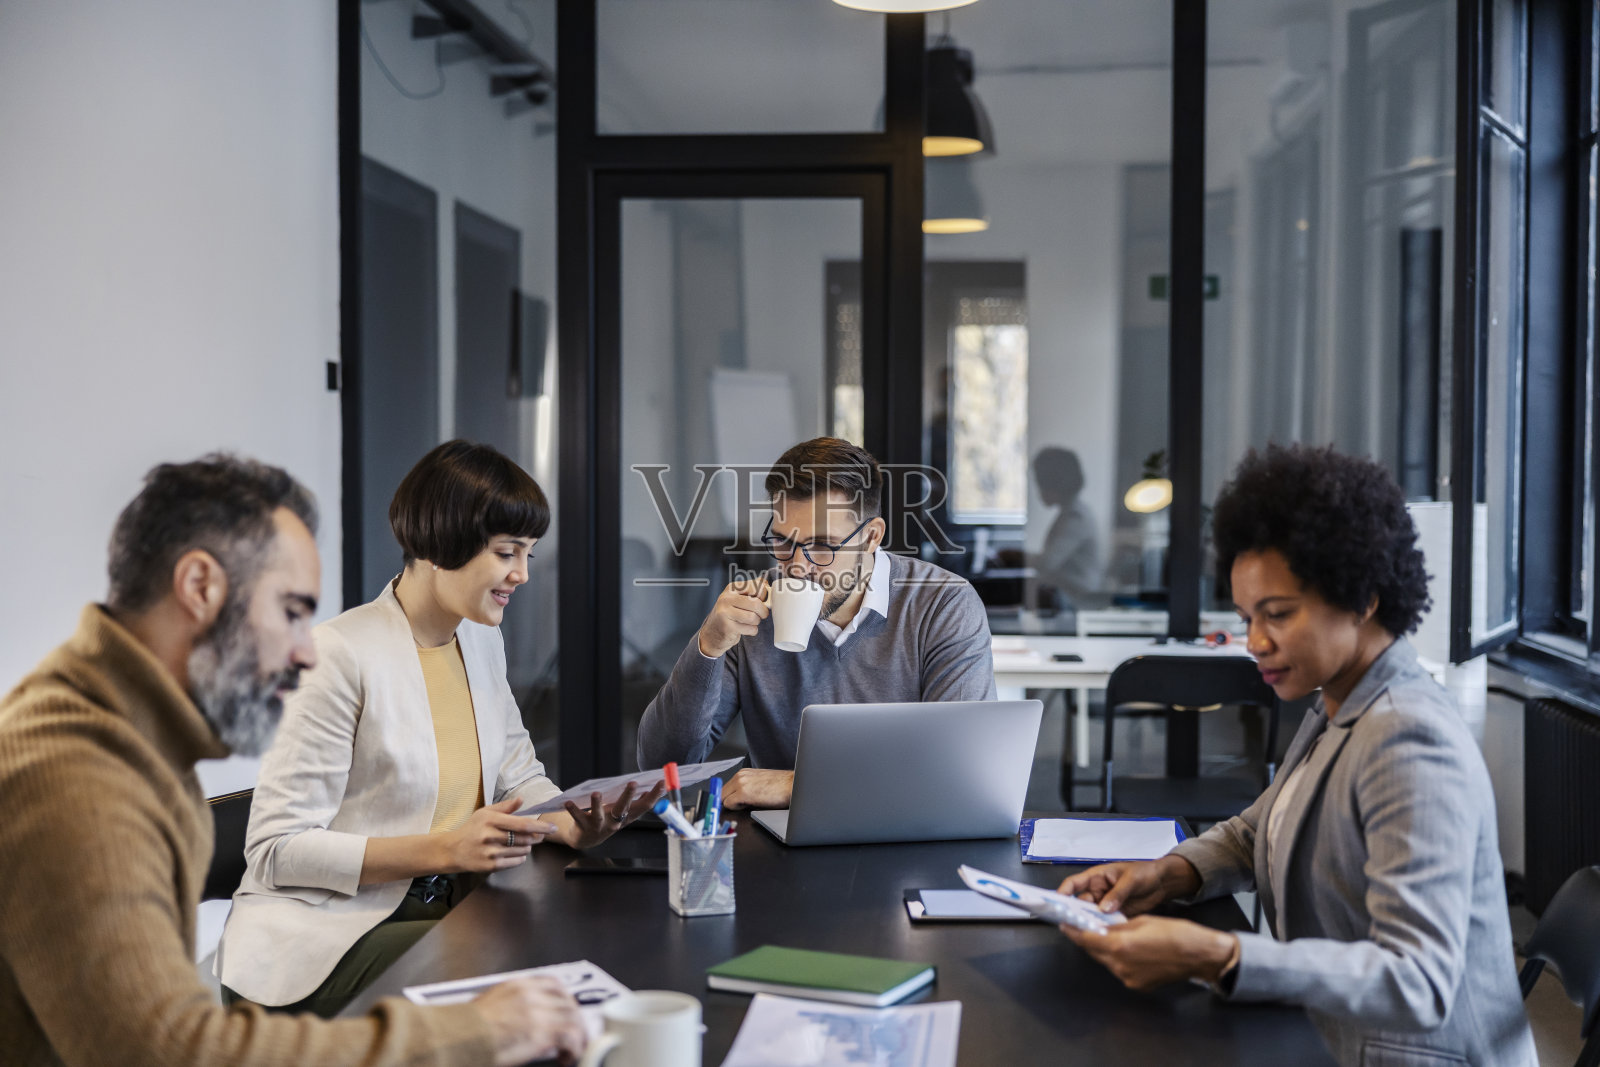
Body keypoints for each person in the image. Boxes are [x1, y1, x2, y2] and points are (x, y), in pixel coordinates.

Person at [0, 454, 586, 1067]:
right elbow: (169, 1052)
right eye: (290, 612)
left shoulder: (128, 741)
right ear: (200, 588)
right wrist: (470, 1034)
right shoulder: (81, 786)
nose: (306, 652)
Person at [1055, 444, 1536, 1067]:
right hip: (1322, 1035)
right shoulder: (1338, 700)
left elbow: (1418, 980)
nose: (1255, 642)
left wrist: (1218, 956)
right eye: (1246, 617)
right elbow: (1260, 828)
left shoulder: (1409, 739)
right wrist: (1165, 873)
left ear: (1362, 598)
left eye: (1277, 614)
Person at [219, 440, 661, 1016]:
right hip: (329, 935)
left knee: (586, 948)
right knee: (523, 987)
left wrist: (569, 823)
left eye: (527, 553)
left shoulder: (478, 638)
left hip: (450, 902)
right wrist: (447, 848)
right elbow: (278, 849)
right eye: (508, 552)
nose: (523, 574)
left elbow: (517, 774)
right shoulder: (337, 655)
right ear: (443, 543)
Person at [635, 436, 996, 810]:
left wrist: (800, 785)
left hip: (904, 835)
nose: (798, 566)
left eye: (822, 545)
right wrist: (707, 648)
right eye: (783, 542)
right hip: (779, 846)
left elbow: (958, 768)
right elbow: (662, 767)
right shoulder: (752, 611)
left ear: (871, 537)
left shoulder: (943, 603)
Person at [1029, 447, 1102, 608]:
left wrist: (1014, 557)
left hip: (1076, 601)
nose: (1038, 491)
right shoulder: (1069, 512)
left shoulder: (1076, 517)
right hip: (1067, 597)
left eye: (1040, 483)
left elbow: (1047, 563)